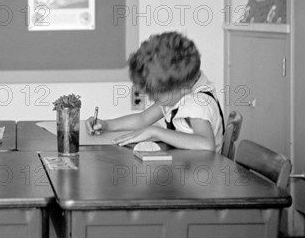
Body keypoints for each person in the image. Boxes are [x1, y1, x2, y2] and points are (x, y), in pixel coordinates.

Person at [86, 31, 224, 152]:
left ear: (180, 87)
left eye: (157, 94)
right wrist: (107, 125)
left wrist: (155, 131)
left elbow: (206, 145)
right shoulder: (179, 92)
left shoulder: (196, 104)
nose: (153, 99)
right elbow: (143, 119)